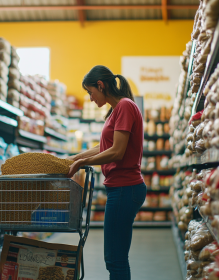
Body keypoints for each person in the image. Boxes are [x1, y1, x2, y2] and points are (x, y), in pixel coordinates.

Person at [67, 65, 146, 280]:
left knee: (115, 259)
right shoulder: (116, 111)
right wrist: (74, 159)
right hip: (121, 189)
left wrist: (84, 161)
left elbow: (117, 152)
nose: (91, 98)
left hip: (125, 188)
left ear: (101, 85)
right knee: (115, 258)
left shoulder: (125, 107)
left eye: (90, 92)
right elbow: (105, 146)